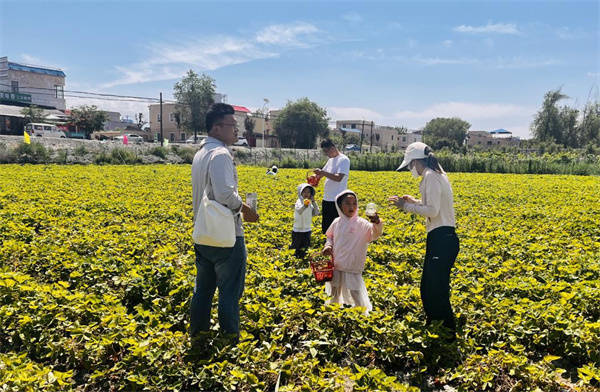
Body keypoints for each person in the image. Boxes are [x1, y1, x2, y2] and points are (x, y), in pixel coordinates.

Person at [190, 103, 259, 344]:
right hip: (226, 235)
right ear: (217, 128)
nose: (236, 130)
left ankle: (198, 335)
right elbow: (225, 195)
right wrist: (245, 209)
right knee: (229, 292)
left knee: (204, 289)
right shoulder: (220, 154)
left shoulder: (200, 153)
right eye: (232, 125)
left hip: (203, 233)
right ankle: (229, 340)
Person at [389, 142, 459, 340]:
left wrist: (406, 207)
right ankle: (436, 327)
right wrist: (414, 201)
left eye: (411, 165)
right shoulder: (437, 174)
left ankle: (447, 333)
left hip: (441, 238)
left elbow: (433, 211)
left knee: (435, 289)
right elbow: (432, 206)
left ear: (416, 161)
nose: (412, 169)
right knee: (430, 287)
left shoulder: (430, 176)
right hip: (443, 237)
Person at [322, 190, 383, 314]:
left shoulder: (362, 223)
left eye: (354, 203)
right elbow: (330, 236)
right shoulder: (336, 222)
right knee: (335, 288)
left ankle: (360, 313)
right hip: (337, 262)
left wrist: (377, 223)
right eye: (347, 203)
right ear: (339, 206)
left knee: (355, 290)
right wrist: (328, 246)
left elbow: (374, 234)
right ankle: (333, 311)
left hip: (353, 263)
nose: (352, 206)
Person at [314, 139, 350, 234]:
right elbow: (322, 174)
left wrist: (323, 173)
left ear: (333, 148)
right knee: (326, 226)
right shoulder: (330, 160)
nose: (326, 154)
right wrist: (316, 177)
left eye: (327, 151)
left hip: (337, 199)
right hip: (327, 198)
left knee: (336, 228)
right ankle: (327, 246)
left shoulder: (344, 160)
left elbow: (339, 178)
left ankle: (336, 247)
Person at [290, 183, 320, 258]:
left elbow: (316, 213)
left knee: (305, 248)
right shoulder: (298, 202)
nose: (306, 194)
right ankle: (295, 260)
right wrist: (304, 206)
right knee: (296, 248)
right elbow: (299, 211)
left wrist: (314, 202)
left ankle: (303, 261)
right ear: (301, 193)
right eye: (304, 192)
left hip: (307, 229)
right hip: (297, 230)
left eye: (308, 192)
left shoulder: (310, 203)